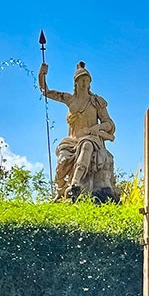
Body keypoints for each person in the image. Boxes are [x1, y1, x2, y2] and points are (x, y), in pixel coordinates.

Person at [38, 61, 119, 202]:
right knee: (62, 160)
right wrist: (42, 75)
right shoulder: (70, 99)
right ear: (75, 82)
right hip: (71, 141)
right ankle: (61, 191)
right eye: (81, 80)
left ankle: (75, 184)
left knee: (86, 145)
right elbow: (46, 92)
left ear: (90, 83)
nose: (84, 83)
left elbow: (109, 124)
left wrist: (97, 127)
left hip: (90, 139)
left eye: (86, 80)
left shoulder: (96, 101)